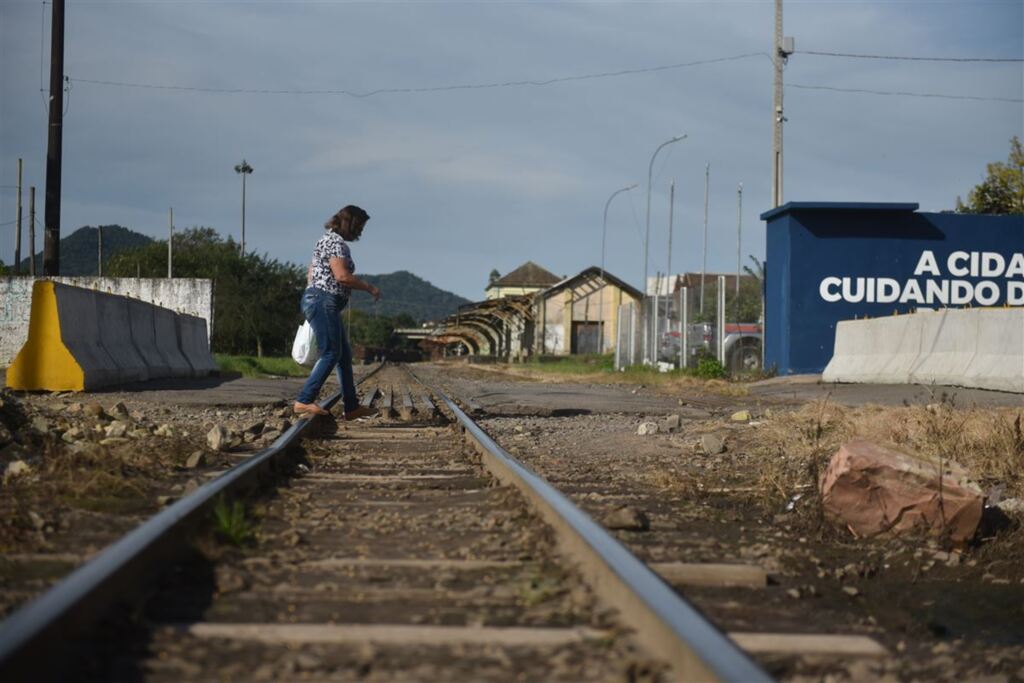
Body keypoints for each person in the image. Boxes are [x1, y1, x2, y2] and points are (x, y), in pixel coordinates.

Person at [294, 205, 381, 418]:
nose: (360, 231)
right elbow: (342, 276)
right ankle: (304, 400)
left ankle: (351, 407)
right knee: (331, 352)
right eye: (359, 226)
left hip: (322, 300)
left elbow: (311, 272)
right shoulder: (334, 243)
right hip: (324, 301)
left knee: (343, 356)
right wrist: (369, 288)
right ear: (349, 223)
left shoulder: (327, 240)